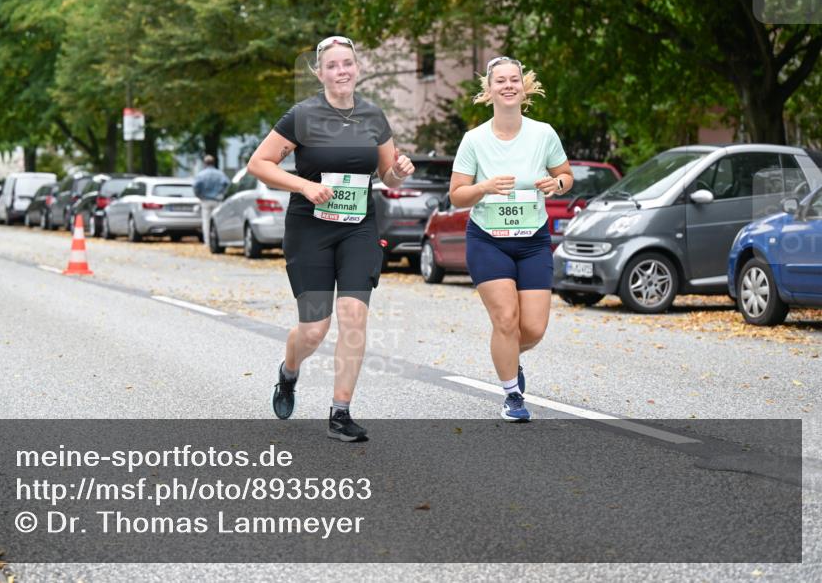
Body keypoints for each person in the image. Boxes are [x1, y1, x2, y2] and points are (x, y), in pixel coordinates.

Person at [248, 35, 415, 442]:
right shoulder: (302, 115)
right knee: (314, 329)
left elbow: (387, 174)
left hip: (358, 225)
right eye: (333, 65)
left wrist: (400, 172)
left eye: (348, 64)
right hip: (310, 228)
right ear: (320, 72)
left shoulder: (374, 116)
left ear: (357, 68)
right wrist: (303, 187)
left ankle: (340, 413)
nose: (342, 71)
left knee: (353, 316)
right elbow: (259, 163)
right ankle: (289, 373)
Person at [449, 56, 573, 422]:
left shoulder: (543, 133)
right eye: (499, 81)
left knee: (532, 327)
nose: (507, 85)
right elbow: (456, 195)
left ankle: (509, 356)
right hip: (488, 239)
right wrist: (484, 187)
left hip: (533, 239)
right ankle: (512, 395)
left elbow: (565, 176)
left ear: (524, 86)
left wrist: (557, 184)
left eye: (513, 80)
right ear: (488, 91)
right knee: (505, 319)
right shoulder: (474, 140)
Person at [192, 155, 231, 247]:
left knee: (206, 222)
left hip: (205, 200)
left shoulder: (201, 174)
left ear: (205, 163)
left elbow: (196, 186)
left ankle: (208, 242)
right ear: (214, 162)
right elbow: (227, 184)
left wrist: (199, 196)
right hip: (217, 200)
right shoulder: (220, 174)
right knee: (217, 221)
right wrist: (222, 194)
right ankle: (217, 241)